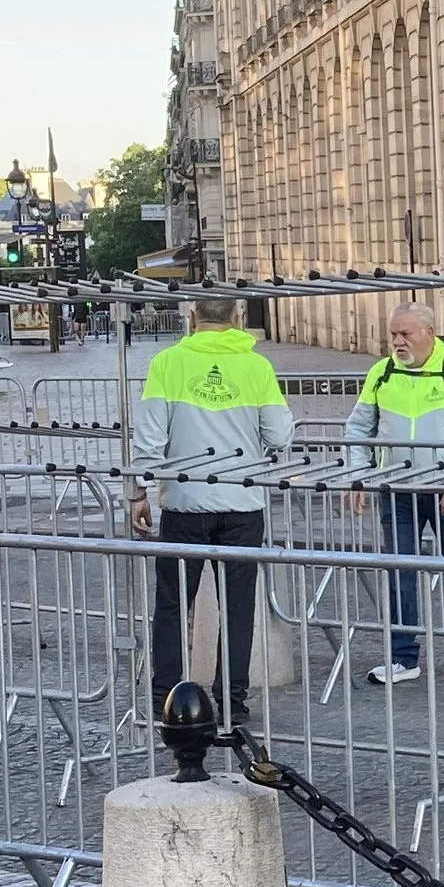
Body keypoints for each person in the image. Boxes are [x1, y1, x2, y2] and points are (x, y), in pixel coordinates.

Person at [130, 292, 296, 728]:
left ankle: (165, 694)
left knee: (171, 604)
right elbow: (279, 434)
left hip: (185, 502)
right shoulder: (256, 366)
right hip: (242, 501)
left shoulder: (167, 364)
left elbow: (148, 437)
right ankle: (233, 698)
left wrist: (137, 492)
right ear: (238, 317)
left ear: (191, 316)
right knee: (238, 605)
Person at [345, 303, 444, 683]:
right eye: (393, 333)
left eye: (405, 333)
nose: (397, 341)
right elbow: (358, 429)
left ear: (430, 332)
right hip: (397, 489)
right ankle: (403, 658)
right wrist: (358, 476)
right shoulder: (382, 371)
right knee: (399, 572)